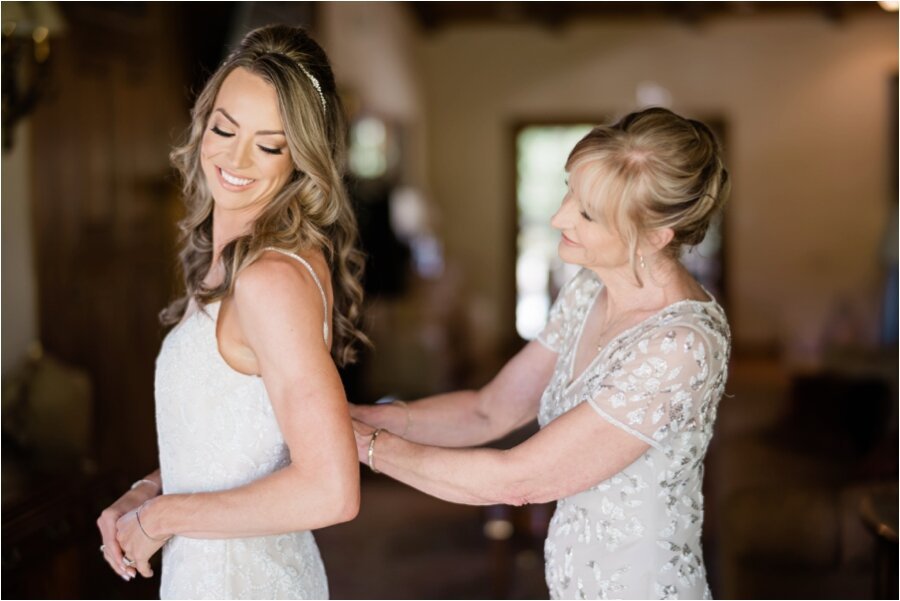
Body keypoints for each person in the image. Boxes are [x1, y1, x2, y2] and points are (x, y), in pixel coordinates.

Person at [351, 107, 731, 600]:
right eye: (569, 188)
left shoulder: (680, 345)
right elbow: (489, 410)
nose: (559, 216)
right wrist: (357, 416)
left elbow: (518, 480)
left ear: (656, 237)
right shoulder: (587, 289)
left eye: (588, 212)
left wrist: (363, 447)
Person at [95, 24, 368, 599]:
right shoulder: (235, 265)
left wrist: (162, 519)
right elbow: (234, 442)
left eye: (269, 144)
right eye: (225, 127)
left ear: (302, 158)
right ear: (203, 122)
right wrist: (147, 492)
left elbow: (332, 489)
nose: (236, 158)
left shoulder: (270, 281)